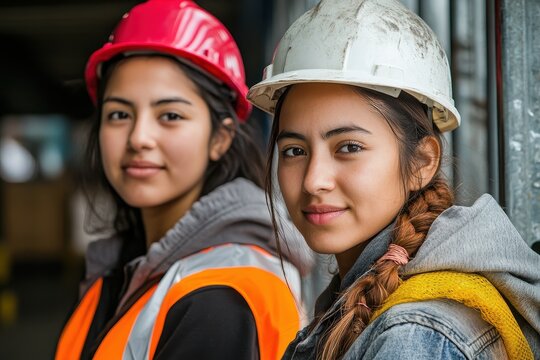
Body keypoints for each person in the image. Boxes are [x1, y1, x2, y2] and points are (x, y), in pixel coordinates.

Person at [247, 0, 540, 359]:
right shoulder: (367, 302)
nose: (313, 181)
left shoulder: (416, 336)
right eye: (294, 150)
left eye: (349, 147)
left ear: (422, 162)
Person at [55, 1, 313, 359]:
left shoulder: (219, 297)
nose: (138, 137)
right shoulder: (125, 268)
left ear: (220, 138)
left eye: (170, 115)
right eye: (119, 114)